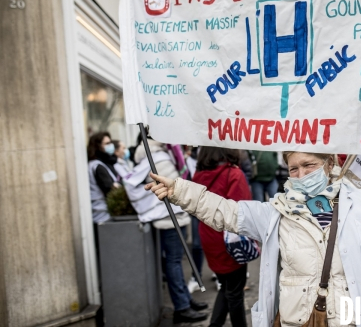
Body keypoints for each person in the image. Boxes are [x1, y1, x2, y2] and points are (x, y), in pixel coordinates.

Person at [146, 151, 361, 327]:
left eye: (309, 165)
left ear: (328, 164)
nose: (301, 174)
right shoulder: (275, 212)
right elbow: (227, 211)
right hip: (298, 322)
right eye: (293, 169)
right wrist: (178, 191)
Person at [133, 138, 208, 324]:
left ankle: (185, 301)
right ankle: (182, 307)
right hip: (170, 216)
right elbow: (176, 186)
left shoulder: (161, 153)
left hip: (173, 215)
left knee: (175, 261)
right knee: (174, 262)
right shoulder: (157, 157)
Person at [192, 147, 252, 327]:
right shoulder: (234, 174)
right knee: (235, 292)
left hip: (208, 236)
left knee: (226, 287)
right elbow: (242, 210)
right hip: (230, 239)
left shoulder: (198, 175)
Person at [87, 132, 120, 224]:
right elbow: (109, 188)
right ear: (98, 146)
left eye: (110, 143)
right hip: (102, 215)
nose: (110, 146)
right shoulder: (97, 166)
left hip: (106, 213)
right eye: (107, 143)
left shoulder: (106, 163)